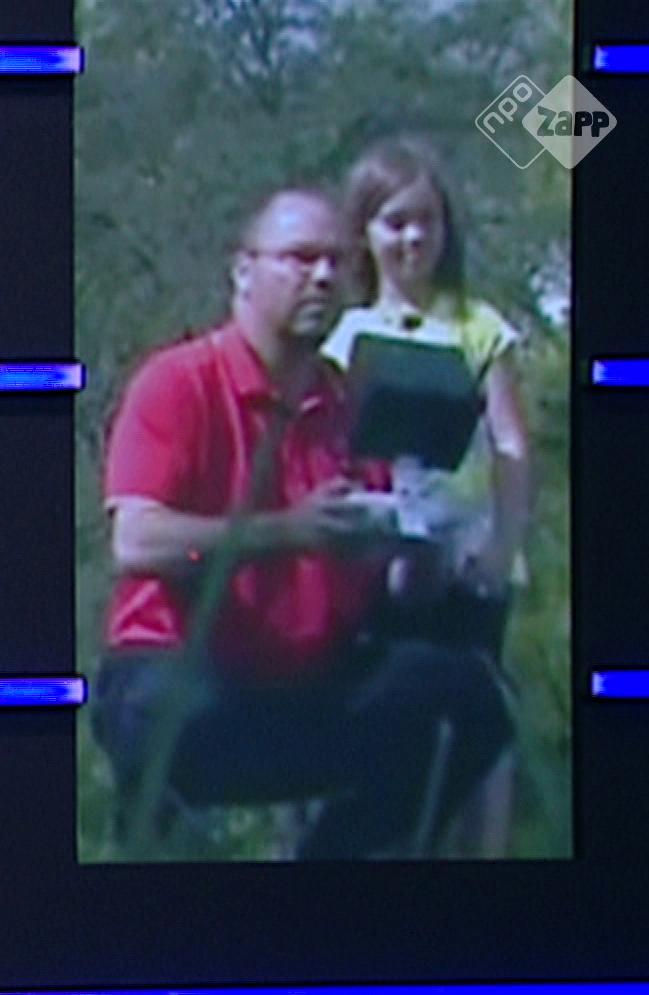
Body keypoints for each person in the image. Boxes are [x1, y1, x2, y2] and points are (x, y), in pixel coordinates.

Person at [96, 187, 509, 860]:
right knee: (163, 714)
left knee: (470, 701)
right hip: (184, 677)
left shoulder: (353, 401)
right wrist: (291, 531)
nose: (322, 277)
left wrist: (423, 546)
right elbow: (137, 541)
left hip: (311, 683)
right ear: (244, 271)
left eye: (336, 262)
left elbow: (395, 589)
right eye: (300, 258)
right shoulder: (179, 382)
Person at [321, 135, 534, 657]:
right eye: (395, 223)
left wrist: (502, 547)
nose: (413, 238)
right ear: (365, 233)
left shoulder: (480, 327)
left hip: (467, 561)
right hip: (376, 563)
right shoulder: (344, 335)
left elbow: (511, 444)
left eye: (426, 221)